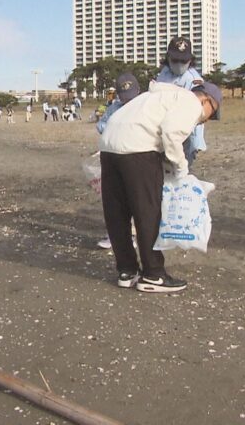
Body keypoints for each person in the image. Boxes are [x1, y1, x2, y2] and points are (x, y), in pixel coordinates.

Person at [99, 80, 222, 293]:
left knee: (117, 212)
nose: (206, 120)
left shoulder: (155, 96)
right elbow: (171, 134)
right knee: (148, 212)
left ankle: (127, 271)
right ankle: (153, 274)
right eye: (212, 113)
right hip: (138, 149)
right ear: (206, 99)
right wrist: (182, 171)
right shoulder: (190, 101)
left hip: (109, 148)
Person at [95, 73, 141, 249]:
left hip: (137, 158)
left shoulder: (145, 106)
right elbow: (100, 126)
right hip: (114, 156)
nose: (127, 101)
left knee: (136, 198)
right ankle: (115, 236)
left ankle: (136, 235)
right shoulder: (114, 107)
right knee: (116, 199)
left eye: (131, 97)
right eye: (124, 97)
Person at [156, 36, 208, 169]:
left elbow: (196, 114)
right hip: (161, 131)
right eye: (175, 60)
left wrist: (195, 144)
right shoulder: (164, 74)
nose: (179, 64)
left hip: (185, 134)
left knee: (180, 172)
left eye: (183, 61)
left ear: (190, 60)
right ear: (168, 58)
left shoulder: (193, 80)